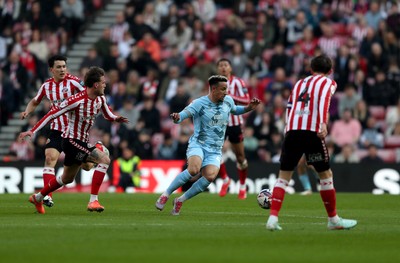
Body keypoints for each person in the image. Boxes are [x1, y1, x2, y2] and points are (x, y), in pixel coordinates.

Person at [266, 55, 357, 231]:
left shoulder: (299, 83)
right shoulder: (328, 83)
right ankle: (333, 220)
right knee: (325, 175)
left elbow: (290, 106)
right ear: (330, 71)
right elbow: (324, 102)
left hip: (292, 131)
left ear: (310, 69)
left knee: (283, 176)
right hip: (312, 132)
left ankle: (272, 218)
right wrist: (323, 124)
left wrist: (287, 129)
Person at [19, 66, 128, 214]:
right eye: (103, 82)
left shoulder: (101, 99)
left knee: (66, 179)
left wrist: (116, 118)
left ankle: (38, 197)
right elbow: (52, 114)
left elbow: (107, 114)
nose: (105, 84)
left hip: (81, 142)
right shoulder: (76, 100)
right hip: (71, 141)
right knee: (104, 159)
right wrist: (32, 130)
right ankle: (93, 201)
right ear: (95, 84)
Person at [155, 75, 260, 215]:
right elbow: (184, 114)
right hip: (198, 144)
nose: (226, 92)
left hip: (215, 150)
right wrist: (177, 117)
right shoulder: (199, 103)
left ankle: (180, 200)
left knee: (209, 176)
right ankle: (166, 194)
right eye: (223, 89)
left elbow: (235, 109)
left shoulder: (227, 101)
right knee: (193, 169)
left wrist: (248, 108)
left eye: (226, 89)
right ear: (214, 89)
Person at [20, 55, 101, 209]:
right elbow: (35, 101)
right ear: (51, 70)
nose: (63, 69)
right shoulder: (46, 86)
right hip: (57, 129)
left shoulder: (74, 82)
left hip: (74, 132)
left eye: (64, 66)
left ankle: (95, 150)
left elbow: (89, 93)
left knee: (87, 166)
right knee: (50, 158)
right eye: (59, 67)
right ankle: (46, 197)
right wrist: (27, 111)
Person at [216, 58, 251, 199]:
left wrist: (230, 96)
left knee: (240, 157)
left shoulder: (238, 82)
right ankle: (225, 180)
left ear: (230, 68)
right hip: (219, 123)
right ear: (218, 69)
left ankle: (242, 187)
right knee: (214, 153)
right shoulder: (214, 84)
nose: (223, 68)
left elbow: (247, 100)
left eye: (226, 65)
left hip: (235, 123)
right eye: (221, 65)